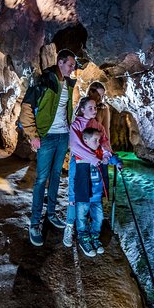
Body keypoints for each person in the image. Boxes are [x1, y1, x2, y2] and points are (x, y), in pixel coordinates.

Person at [20, 49, 77, 246]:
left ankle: (51, 213)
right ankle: (34, 223)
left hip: (62, 136)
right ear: (60, 63)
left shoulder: (69, 85)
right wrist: (33, 135)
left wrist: (70, 135)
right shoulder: (44, 80)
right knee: (41, 179)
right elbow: (26, 108)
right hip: (46, 136)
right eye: (70, 64)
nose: (73, 68)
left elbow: (67, 111)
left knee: (55, 176)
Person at [63, 96, 112, 248]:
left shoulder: (98, 126)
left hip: (95, 162)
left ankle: (89, 229)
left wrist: (107, 155)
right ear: (82, 109)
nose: (94, 110)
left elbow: (105, 142)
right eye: (90, 108)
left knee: (93, 193)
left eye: (95, 108)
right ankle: (70, 226)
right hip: (79, 162)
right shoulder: (76, 125)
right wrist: (93, 158)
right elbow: (75, 146)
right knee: (74, 194)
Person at [72, 127, 122, 257]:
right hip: (83, 195)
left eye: (99, 140)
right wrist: (72, 196)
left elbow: (110, 157)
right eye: (95, 140)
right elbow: (73, 176)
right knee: (81, 218)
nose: (98, 142)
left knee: (98, 218)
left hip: (97, 195)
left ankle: (94, 236)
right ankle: (83, 238)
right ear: (86, 141)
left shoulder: (100, 153)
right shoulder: (80, 155)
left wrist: (118, 163)